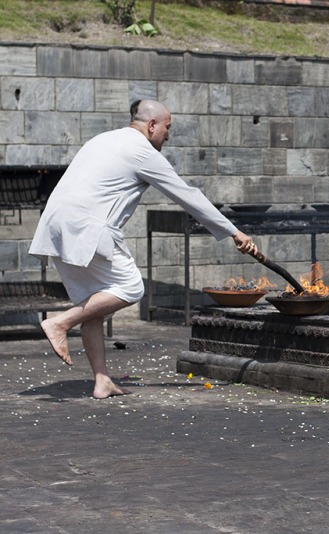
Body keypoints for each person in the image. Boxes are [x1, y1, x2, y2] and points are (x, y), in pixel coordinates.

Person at [29, 99, 258, 399]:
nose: (168, 135)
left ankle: (102, 380)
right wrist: (233, 231)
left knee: (92, 304)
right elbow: (187, 195)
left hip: (56, 223)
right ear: (151, 125)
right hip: (86, 226)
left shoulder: (105, 138)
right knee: (131, 287)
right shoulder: (141, 150)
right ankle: (60, 323)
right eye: (167, 127)